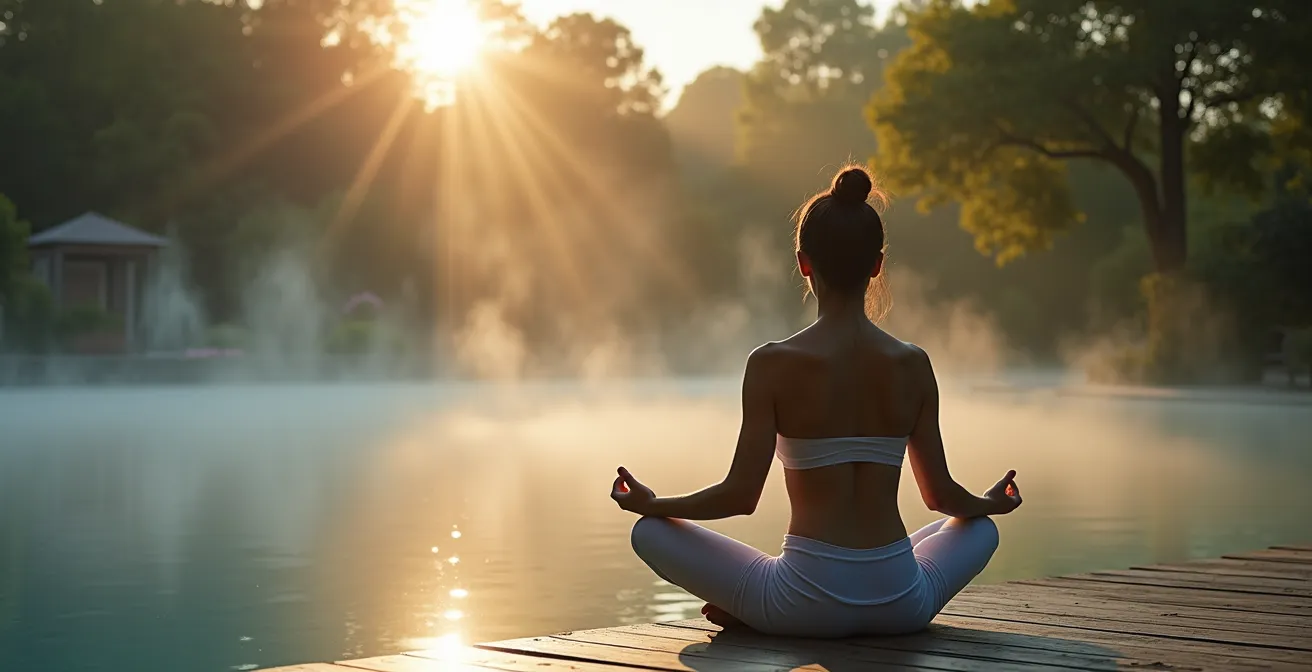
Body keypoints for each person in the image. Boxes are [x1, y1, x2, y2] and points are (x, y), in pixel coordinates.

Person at [608, 166, 1022, 638]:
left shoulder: (771, 364)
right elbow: (941, 497)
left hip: (799, 606)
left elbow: (740, 496)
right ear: (877, 265)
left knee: (649, 531)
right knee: (978, 526)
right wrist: (990, 503)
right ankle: (775, 599)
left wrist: (653, 503)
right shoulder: (913, 364)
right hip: (902, 603)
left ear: (804, 263)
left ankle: (750, 605)